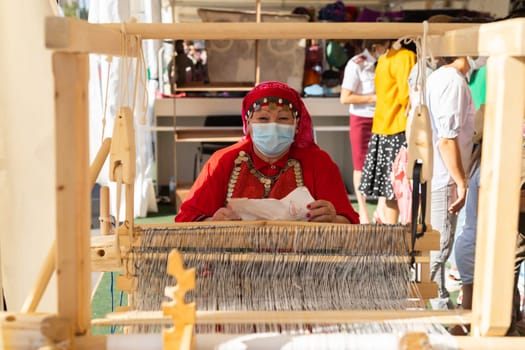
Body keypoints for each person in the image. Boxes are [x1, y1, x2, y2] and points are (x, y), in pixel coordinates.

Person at [175, 81, 359, 224]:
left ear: (296, 126)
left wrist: (332, 218)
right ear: (248, 126)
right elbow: (185, 220)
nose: (273, 125)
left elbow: (350, 222)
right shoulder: (223, 160)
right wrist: (213, 222)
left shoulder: (319, 162)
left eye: (283, 118)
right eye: (263, 118)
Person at [425, 56, 476, 310]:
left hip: (439, 174)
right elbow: (446, 139)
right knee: (438, 249)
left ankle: (439, 309)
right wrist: (460, 180)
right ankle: (440, 313)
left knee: (436, 248)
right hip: (445, 177)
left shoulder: (441, 78)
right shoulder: (452, 81)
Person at [358, 41, 416, 224]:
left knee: (390, 188)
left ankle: (390, 234)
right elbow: (406, 96)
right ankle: (407, 232)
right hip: (400, 126)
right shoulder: (406, 57)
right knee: (407, 185)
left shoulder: (384, 59)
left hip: (383, 125)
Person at [340, 39, 390, 224]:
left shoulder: (390, 62)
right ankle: (363, 210)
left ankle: (382, 208)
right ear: (376, 46)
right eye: (387, 45)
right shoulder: (357, 64)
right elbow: (345, 98)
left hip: (385, 118)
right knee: (360, 164)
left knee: (386, 162)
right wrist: (375, 98)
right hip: (362, 119)